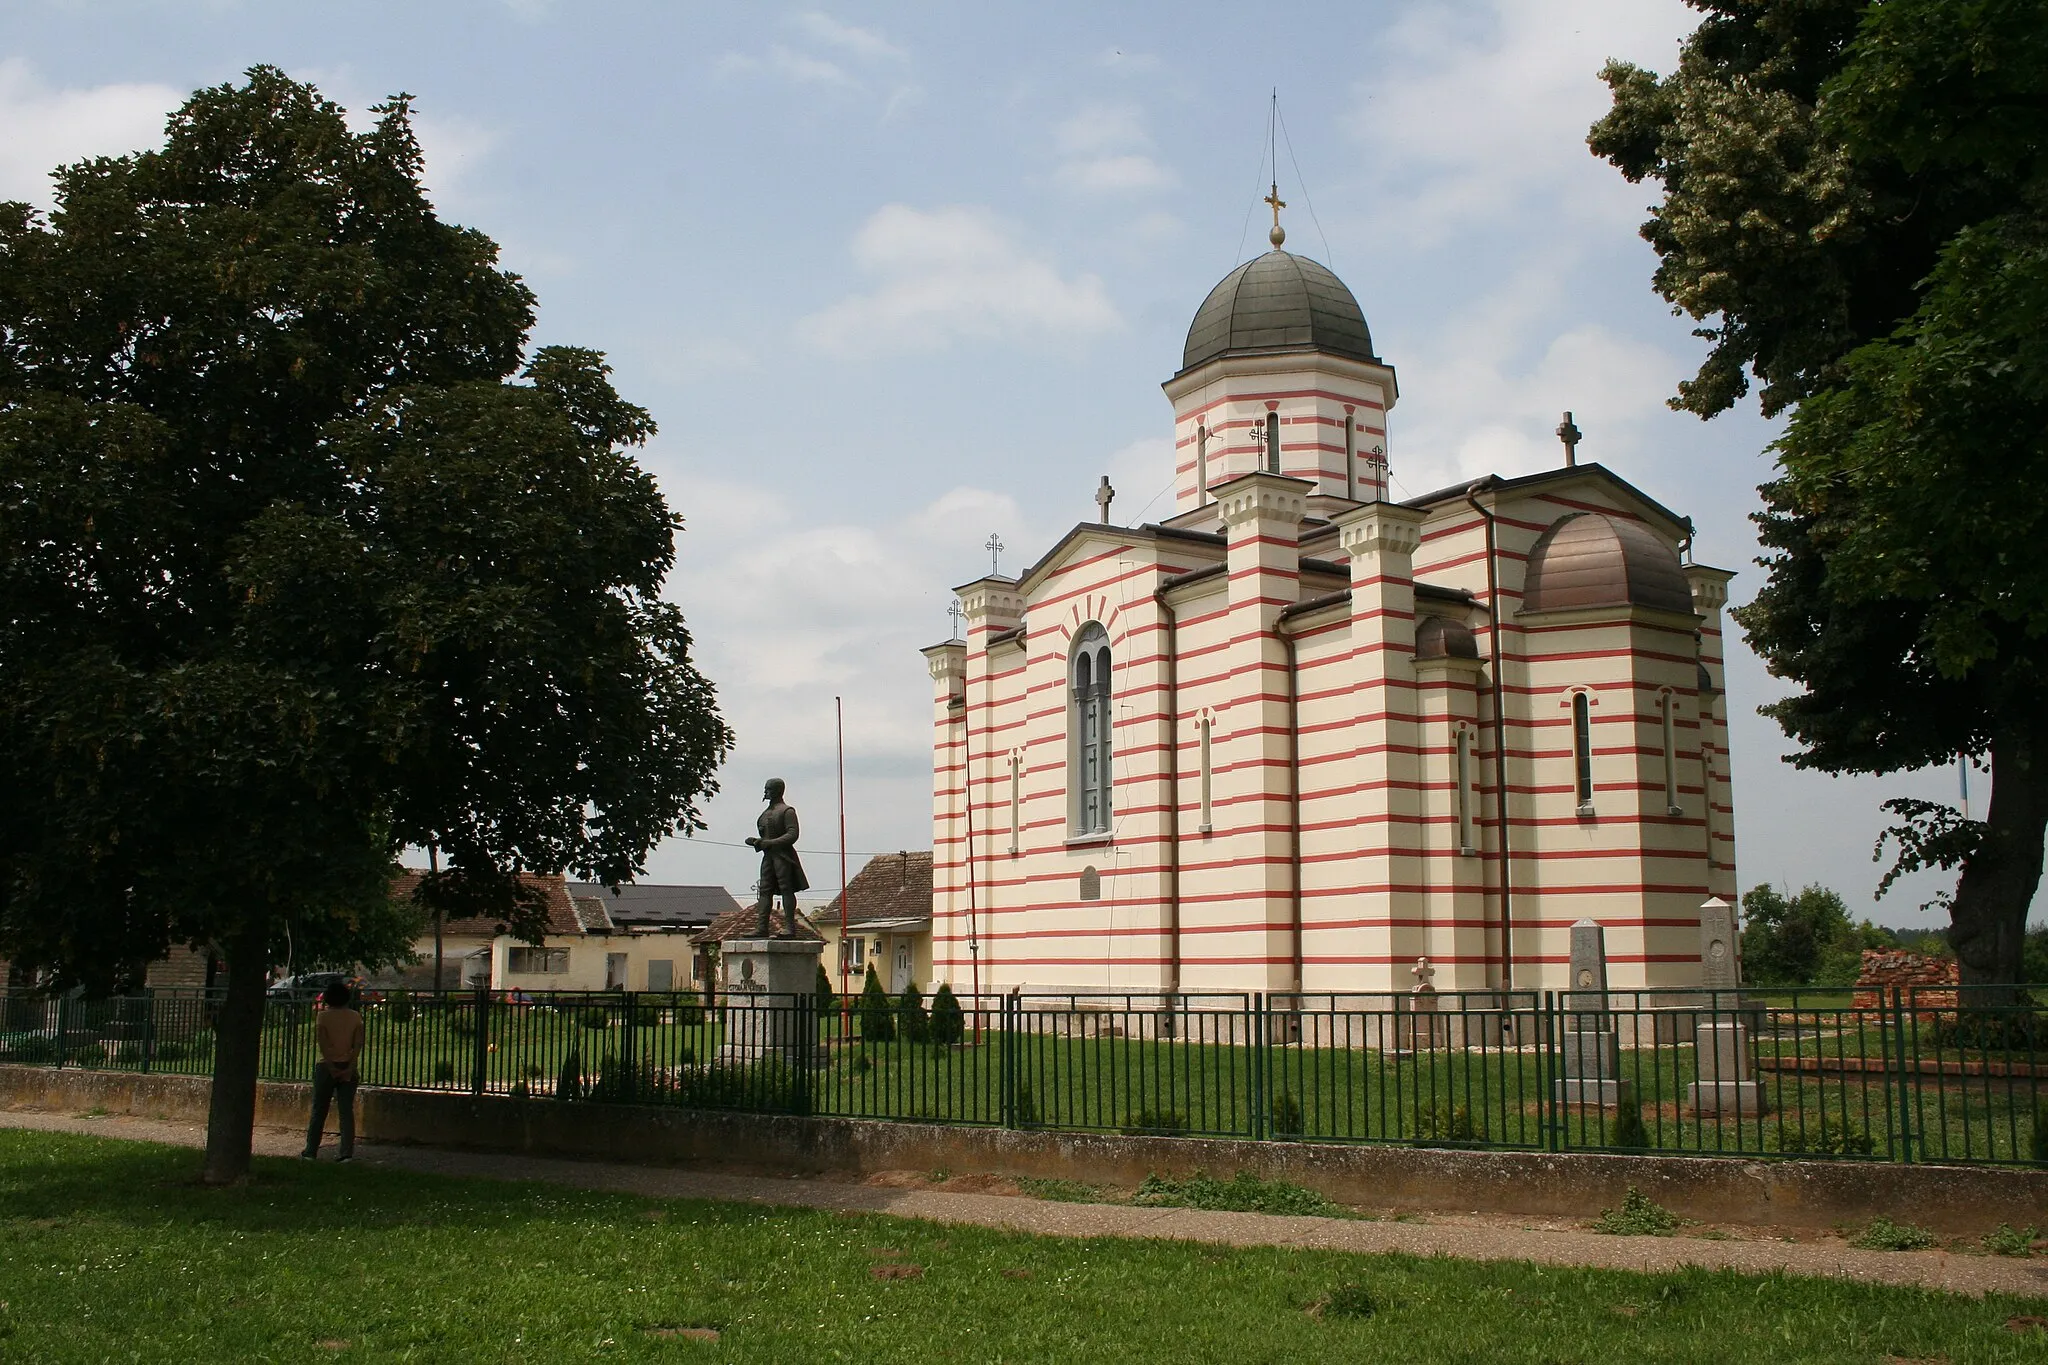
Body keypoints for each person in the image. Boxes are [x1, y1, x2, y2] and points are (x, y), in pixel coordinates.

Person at [302, 980, 365, 1162]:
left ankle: (311, 1151)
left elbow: (323, 1044)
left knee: (319, 1110)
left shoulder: (323, 1017)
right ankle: (346, 1152)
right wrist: (350, 1068)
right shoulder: (355, 1016)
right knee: (346, 1112)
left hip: (326, 1067)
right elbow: (358, 1044)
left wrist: (331, 1067)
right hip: (348, 1065)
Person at [745, 776, 807, 937]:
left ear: (778, 791)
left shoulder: (787, 811)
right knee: (764, 890)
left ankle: (789, 928)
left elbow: (793, 834)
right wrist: (756, 842)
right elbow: (765, 836)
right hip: (768, 857)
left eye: (769, 789)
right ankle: (762, 927)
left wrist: (771, 843)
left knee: (786, 889)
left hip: (783, 856)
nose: (766, 792)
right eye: (765, 789)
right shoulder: (764, 814)